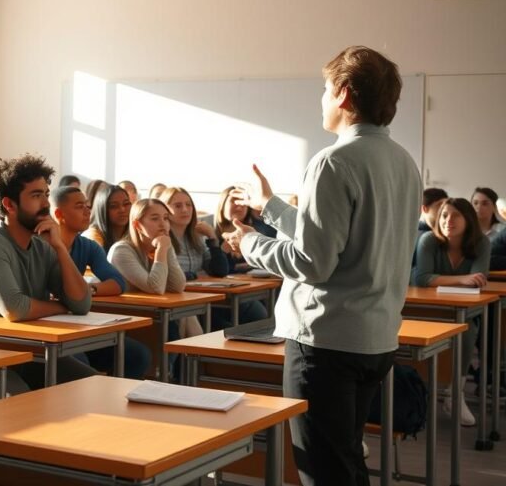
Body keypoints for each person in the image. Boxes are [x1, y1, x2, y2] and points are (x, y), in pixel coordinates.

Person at [223, 46, 422, 486]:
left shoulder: (333, 161)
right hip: (375, 338)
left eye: (324, 89)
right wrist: (270, 207)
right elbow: (339, 238)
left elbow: (311, 261)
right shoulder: (403, 162)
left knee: (324, 471)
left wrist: (249, 242)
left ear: (345, 95)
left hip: (326, 342)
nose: (321, 99)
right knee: (347, 462)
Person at [0, 154, 95, 390]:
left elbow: (82, 303)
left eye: (45, 194)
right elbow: (16, 308)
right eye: (35, 196)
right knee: (18, 405)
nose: (45, 204)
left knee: (92, 387)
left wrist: (60, 248)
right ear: (9, 205)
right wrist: (62, 306)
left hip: (29, 352)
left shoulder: (43, 243)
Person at [52, 186, 150, 379]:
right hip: (52, 325)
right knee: (80, 364)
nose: (87, 211)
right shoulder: (42, 245)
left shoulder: (87, 246)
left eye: (88, 206)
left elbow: (117, 282)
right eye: (80, 206)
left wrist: (86, 290)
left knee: (138, 355)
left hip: (76, 320)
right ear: (59, 214)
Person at [411, 198, 488, 426]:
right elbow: (422, 279)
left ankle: (455, 394)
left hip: (463, 310)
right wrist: (462, 279)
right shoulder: (428, 240)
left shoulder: (481, 243)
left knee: (466, 331)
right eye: (444, 215)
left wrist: (450, 281)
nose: (448, 221)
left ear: (468, 219)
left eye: (455, 216)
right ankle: (413, 392)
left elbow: (478, 280)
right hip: (426, 308)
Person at [107, 198, 200, 346]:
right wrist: (163, 249)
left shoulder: (159, 244)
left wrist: (167, 248)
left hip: (146, 313)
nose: (163, 224)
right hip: (121, 317)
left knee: (185, 313)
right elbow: (155, 287)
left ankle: (194, 363)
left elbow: (178, 286)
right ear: (137, 224)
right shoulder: (121, 250)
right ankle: (194, 362)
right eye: (155, 219)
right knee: (177, 322)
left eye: (166, 218)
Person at [211, 187, 269, 327]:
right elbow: (217, 270)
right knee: (258, 313)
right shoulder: (212, 234)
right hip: (222, 296)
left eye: (242, 202)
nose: (239, 205)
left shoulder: (253, 232)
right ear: (222, 204)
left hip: (252, 288)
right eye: (233, 201)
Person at [161, 187, 228, 279]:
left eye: (188, 205)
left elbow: (220, 271)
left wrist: (212, 238)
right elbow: (168, 276)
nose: (185, 209)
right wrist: (196, 275)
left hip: (197, 291)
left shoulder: (198, 237)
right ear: (164, 210)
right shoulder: (161, 238)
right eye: (178, 206)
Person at [84, 185, 131, 252]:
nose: (122, 209)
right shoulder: (92, 236)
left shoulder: (133, 232)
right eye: (114, 206)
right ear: (102, 209)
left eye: (126, 204)